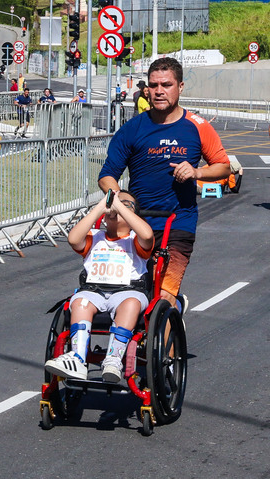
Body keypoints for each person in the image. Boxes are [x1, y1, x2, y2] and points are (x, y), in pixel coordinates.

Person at [98, 57, 231, 310]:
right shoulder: (132, 129)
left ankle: (164, 343)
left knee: (164, 296)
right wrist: (117, 200)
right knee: (134, 294)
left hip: (178, 220)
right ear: (147, 88)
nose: (159, 91)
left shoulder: (198, 127)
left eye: (166, 84)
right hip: (137, 223)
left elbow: (223, 166)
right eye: (154, 85)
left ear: (180, 87)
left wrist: (196, 172)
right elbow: (107, 176)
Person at [45, 190, 154, 383]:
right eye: (114, 203)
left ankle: (113, 358)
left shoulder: (134, 240)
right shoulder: (94, 237)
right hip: (94, 291)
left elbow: (147, 234)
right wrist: (100, 208)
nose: (117, 205)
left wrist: (119, 206)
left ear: (133, 215)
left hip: (128, 291)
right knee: (79, 302)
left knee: (130, 304)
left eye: (125, 204)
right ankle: (78, 358)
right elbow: (73, 239)